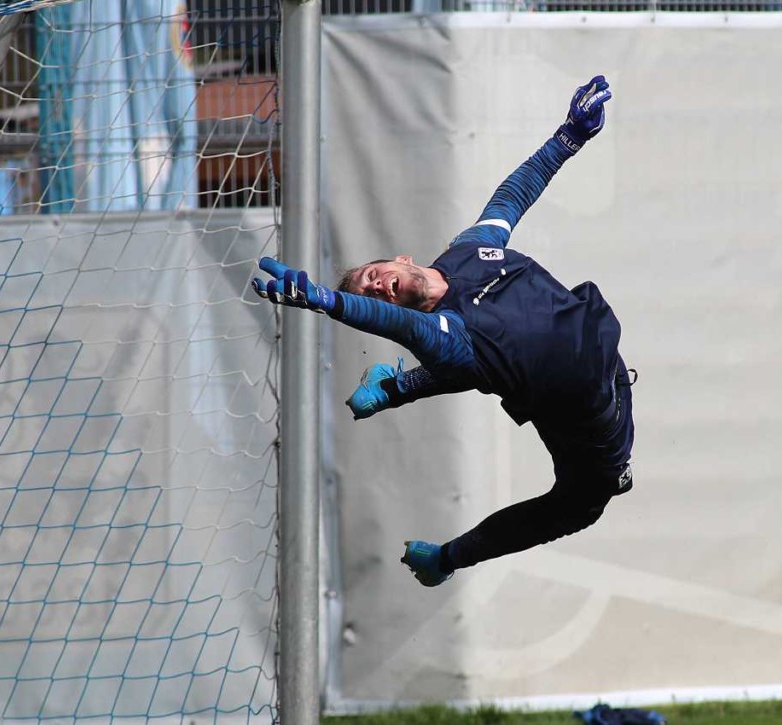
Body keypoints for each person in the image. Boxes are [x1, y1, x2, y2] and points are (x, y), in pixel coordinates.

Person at [252, 75, 635, 587]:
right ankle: (446, 559)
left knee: (472, 362)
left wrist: (570, 135)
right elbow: (393, 321)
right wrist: (326, 301)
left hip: (607, 362)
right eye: (370, 294)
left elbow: (513, 196)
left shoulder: (467, 251)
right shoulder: (439, 333)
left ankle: (394, 388)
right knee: (581, 504)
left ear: (402, 259)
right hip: (594, 427)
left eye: (373, 275)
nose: (377, 287)